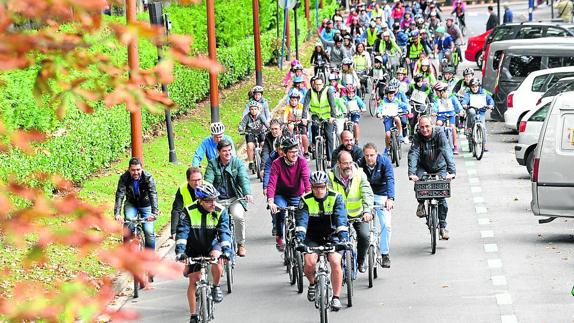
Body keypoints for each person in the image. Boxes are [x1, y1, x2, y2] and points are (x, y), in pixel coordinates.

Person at [175, 183, 232, 323]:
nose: (213, 203)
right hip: (193, 246)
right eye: (209, 201)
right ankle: (193, 315)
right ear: (199, 201)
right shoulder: (188, 211)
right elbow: (182, 233)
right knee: (193, 280)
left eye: (214, 199)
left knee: (217, 262)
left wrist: (226, 252)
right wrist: (181, 253)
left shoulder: (220, 211)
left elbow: (224, 233)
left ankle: (216, 286)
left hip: (213, 244)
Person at [295, 170, 349, 311]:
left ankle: (336, 298)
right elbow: (302, 221)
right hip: (312, 236)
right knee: (309, 262)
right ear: (311, 187)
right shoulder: (305, 199)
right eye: (316, 187)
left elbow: (341, 219)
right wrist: (300, 240)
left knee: (335, 261)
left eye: (322, 187)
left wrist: (343, 238)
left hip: (333, 235)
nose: (319, 190)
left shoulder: (336, 197)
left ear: (326, 186)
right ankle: (312, 283)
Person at [408, 116, 456, 240]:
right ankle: (421, 203)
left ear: (432, 125)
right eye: (422, 127)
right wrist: (412, 172)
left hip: (440, 166)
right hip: (422, 166)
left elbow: (446, 150)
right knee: (420, 183)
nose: (424, 130)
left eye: (427, 126)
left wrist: (452, 171)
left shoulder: (439, 133)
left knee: (442, 198)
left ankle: (443, 227)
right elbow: (414, 153)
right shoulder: (417, 136)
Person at [204, 139, 253, 257]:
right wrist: (207, 195)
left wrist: (247, 193)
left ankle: (241, 244)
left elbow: (243, 179)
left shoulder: (238, 163)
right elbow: (208, 181)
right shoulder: (212, 164)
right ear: (219, 152)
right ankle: (214, 245)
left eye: (229, 150)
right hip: (218, 200)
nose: (228, 153)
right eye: (224, 151)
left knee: (238, 216)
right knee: (212, 221)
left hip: (234, 198)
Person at [328, 150, 374, 273]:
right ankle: (340, 264)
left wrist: (367, 210)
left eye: (350, 162)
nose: (348, 166)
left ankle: (361, 260)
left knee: (364, 236)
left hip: (359, 213)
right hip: (339, 216)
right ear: (338, 164)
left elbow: (367, 193)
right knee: (336, 239)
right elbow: (328, 197)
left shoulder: (359, 174)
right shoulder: (330, 176)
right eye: (345, 163)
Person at [267, 137, 311, 251]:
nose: (294, 154)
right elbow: (272, 183)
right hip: (281, 194)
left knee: (301, 215)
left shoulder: (302, 162)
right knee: (280, 211)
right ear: (285, 153)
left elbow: (307, 181)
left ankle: (300, 239)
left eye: (296, 151)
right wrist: (271, 201)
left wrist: (309, 197)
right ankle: (280, 235)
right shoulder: (277, 163)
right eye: (291, 152)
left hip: (297, 194)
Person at [357, 143, 394, 268]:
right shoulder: (359, 164)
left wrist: (390, 198)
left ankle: (384, 253)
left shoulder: (385, 162)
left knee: (386, 225)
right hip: (364, 194)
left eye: (372, 155)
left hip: (381, 194)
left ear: (377, 154)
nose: (369, 158)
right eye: (366, 155)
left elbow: (390, 179)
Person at [114, 157, 159, 250]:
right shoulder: (124, 178)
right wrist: (117, 213)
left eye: (138, 169)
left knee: (149, 231)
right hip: (131, 204)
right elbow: (120, 195)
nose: (136, 172)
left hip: (146, 205)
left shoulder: (148, 178)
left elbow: (153, 194)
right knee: (128, 227)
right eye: (133, 170)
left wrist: (154, 212)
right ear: (129, 169)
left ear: (142, 168)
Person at [303, 77, 338, 162]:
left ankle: (330, 159)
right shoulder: (310, 92)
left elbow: (332, 104)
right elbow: (306, 105)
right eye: (316, 84)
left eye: (319, 84)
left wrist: (333, 116)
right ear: (313, 84)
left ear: (323, 84)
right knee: (314, 126)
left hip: (327, 116)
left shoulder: (328, 90)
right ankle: (315, 144)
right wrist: (304, 117)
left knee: (329, 135)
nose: (318, 86)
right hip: (316, 115)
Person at [461, 78, 495, 151]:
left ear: (479, 86)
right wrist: (464, 104)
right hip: (472, 110)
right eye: (473, 87)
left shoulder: (483, 92)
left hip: (481, 111)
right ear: (470, 87)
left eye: (476, 87)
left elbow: (490, 99)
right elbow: (465, 100)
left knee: (483, 127)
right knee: (472, 112)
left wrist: (491, 105)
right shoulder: (468, 93)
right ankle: (470, 130)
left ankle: (483, 144)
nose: (474, 88)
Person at [170, 167, 202, 240]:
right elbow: (176, 210)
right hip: (189, 221)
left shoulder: (209, 187)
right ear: (188, 180)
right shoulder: (182, 189)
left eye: (199, 180)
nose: (197, 183)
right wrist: (174, 231)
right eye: (194, 180)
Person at [377, 85, 410, 153]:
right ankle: (387, 149)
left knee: (397, 118)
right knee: (388, 135)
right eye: (390, 96)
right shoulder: (383, 101)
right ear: (386, 95)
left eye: (392, 95)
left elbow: (404, 105)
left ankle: (400, 134)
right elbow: (379, 108)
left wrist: (407, 110)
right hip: (387, 119)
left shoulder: (396, 100)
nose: (391, 97)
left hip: (394, 116)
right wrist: (378, 113)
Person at [238, 100, 269, 171]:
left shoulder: (260, 116)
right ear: (249, 110)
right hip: (250, 134)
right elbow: (242, 124)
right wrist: (241, 128)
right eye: (252, 109)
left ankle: (263, 157)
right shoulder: (247, 117)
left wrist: (269, 128)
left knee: (263, 144)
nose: (253, 111)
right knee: (250, 146)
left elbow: (265, 123)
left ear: (258, 109)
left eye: (255, 109)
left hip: (260, 133)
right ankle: (251, 162)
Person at [432, 82, 463, 154]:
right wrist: (434, 111)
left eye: (437, 92)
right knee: (438, 124)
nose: (436, 94)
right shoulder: (437, 99)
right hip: (441, 115)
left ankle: (455, 145)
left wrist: (461, 110)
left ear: (442, 92)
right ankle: (437, 143)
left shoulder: (452, 97)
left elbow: (457, 104)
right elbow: (435, 106)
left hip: (451, 115)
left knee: (453, 127)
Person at [283, 89, 310, 156]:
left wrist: (307, 119)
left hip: (301, 123)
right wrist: (285, 121)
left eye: (295, 100)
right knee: (290, 127)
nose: (293, 102)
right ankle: (291, 139)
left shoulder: (302, 106)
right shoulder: (288, 107)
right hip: (292, 123)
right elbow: (285, 115)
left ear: (298, 101)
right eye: (292, 100)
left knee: (304, 136)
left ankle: (306, 152)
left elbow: (307, 114)